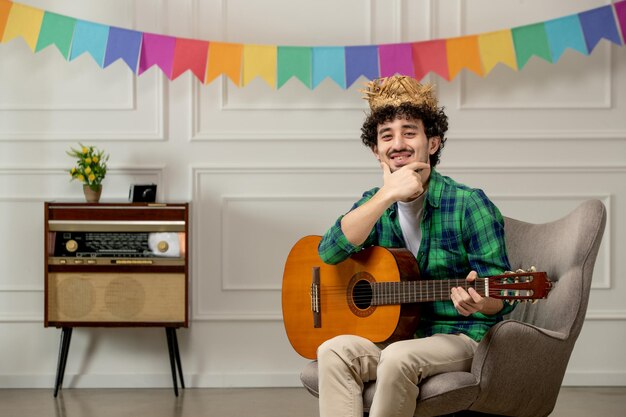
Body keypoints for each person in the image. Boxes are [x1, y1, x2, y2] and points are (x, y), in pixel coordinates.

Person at [316, 75, 514, 417]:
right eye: (387, 135)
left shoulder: (468, 204)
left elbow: (502, 298)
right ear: (376, 150)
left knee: (397, 356)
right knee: (333, 351)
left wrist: (483, 301)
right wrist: (386, 194)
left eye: (410, 132)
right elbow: (329, 253)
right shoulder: (374, 204)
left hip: (460, 334)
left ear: (432, 143)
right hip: (399, 333)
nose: (398, 143)